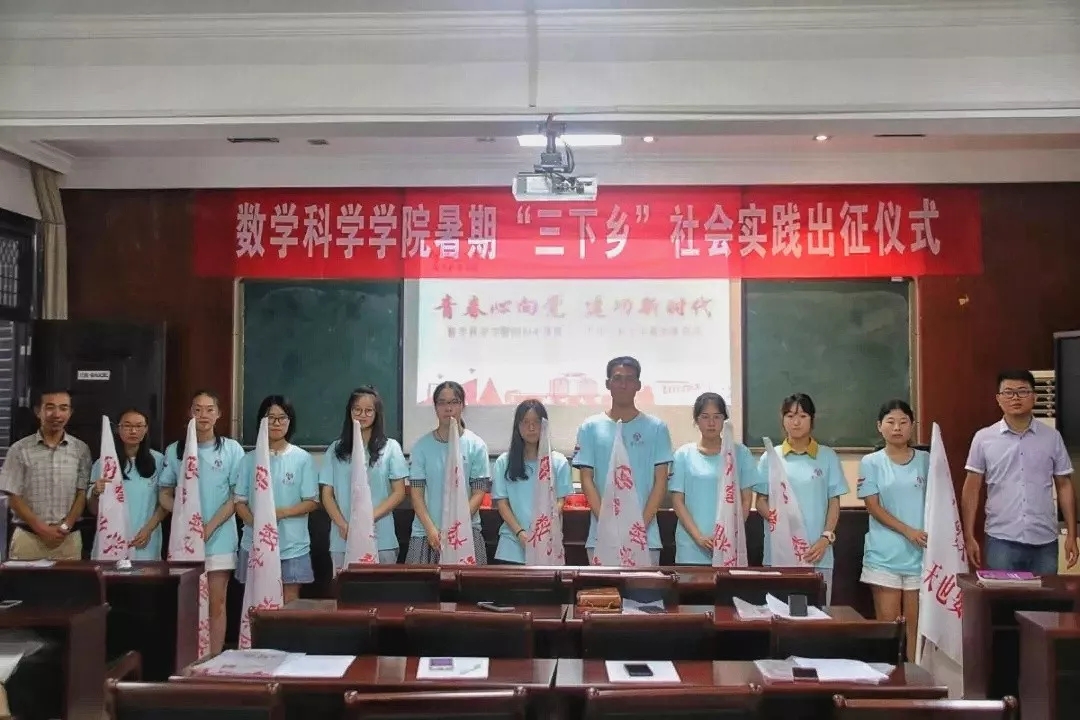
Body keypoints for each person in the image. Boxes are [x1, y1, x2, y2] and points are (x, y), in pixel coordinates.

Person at [962, 370, 1078, 574]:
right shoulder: (983, 438)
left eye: (1023, 391)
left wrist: (1071, 534)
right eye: (1008, 392)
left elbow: (1064, 485)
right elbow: (971, 488)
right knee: (1003, 595)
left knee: (1045, 595)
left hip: (1044, 540)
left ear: (1035, 397)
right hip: (1001, 539)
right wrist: (968, 535)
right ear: (998, 399)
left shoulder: (1052, 437)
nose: (1015, 398)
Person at [159, 390, 245, 655]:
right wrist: (186, 521)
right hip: (185, 541)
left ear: (219, 414)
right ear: (190, 413)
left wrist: (207, 528)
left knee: (216, 603)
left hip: (219, 539)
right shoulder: (175, 450)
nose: (203, 415)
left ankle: (214, 659)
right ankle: (190, 658)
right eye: (198, 409)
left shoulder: (231, 449)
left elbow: (236, 496)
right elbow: (164, 494)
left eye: (209, 410)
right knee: (188, 603)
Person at [573, 356, 673, 565]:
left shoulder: (657, 428)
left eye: (629, 379)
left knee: (644, 588)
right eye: (617, 378)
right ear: (608, 384)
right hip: (602, 536)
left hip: (645, 537)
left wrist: (638, 526)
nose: (623, 384)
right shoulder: (590, 427)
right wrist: (608, 524)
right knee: (602, 588)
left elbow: (660, 482)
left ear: (638, 385)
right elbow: (586, 480)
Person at [754, 393, 848, 603]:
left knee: (817, 615)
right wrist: (781, 523)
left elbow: (834, 502)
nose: (796, 422)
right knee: (778, 613)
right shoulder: (771, 456)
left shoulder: (828, 456)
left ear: (812, 419)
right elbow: (760, 501)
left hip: (817, 553)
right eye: (790, 416)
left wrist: (825, 538)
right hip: (778, 553)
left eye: (802, 416)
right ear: (782, 419)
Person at [858, 399, 928, 661]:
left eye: (903, 422)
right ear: (880, 426)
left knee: (915, 631)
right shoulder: (871, 462)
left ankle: (915, 680)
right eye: (890, 422)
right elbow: (873, 506)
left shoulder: (927, 461)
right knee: (889, 631)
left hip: (921, 557)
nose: (897, 428)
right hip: (884, 556)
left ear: (912, 425)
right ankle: (890, 680)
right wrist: (908, 531)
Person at [234, 395, 318, 603]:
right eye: (270, 418)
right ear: (262, 421)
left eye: (282, 418)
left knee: (289, 603)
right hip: (254, 544)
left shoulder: (302, 459)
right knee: (255, 603)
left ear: (290, 422)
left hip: (292, 546)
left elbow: (311, 501)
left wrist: (279, 514)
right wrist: (258, 524)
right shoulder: (248, 460)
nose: (276, 423)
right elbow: (239, 502)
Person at [319, 386, 408, 570]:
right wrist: (343, 525)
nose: (362, 415)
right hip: (343, 537)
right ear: (350, 412)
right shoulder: (335, 449)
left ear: (377, 414)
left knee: (381, 588)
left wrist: (366, 519)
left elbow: (399, 493)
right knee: (345, 588)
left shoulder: (391, 447)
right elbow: (327, 495)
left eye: (368, 410)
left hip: (381, 538)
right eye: (357, 409)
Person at [0, 388, 91, 560]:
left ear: (70, 413)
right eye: (50, 407)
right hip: (28, 538)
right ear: (38, 411)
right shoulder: (19, 449)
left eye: (63, 408)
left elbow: (82, 493)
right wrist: (41, 528)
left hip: (67, 539)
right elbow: (13, 496)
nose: (57, 414)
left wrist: (65, 526)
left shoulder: (81, 449)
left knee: (70, 579)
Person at [669, 392, 759, 565]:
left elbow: (746, 499)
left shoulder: (740, 453)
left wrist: (729, 534)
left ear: (724, 419)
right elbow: (677, 501)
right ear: (696, 420)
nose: (711, 423)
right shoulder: (683, 455)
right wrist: (699, 537)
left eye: (717, 417)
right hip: (690, 547)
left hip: (729, 545)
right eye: (705, 417)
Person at [406, 381, 490, 564]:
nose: (448, 408)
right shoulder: (421, 447)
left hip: (465, 532)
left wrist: (455, 525)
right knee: (421, 583)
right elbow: (417, 495)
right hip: (427, 533)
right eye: (442, 403)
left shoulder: (476, 445)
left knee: (467, 583)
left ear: (462, 405)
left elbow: (478, 493)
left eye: (454, 402)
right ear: (435, 407)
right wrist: (431, 529)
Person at [490, 399, 572, 564]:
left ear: (545, 424)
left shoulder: (558, 462)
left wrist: (541, 532)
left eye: (536, 422)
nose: (531, 427)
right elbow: (502, 504)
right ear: (518, 426)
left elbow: (560, 502)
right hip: (511, 545)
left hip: (547, 543)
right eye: (525, 422)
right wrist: (520, 533)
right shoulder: (504, 462)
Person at [89, 408, 167, 560]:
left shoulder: (159, 460)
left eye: (139, 426)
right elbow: (94, 510)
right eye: (127, 425)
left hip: (145, 539)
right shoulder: (104, 463)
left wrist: (148, 529)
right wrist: (95, 493)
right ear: (118, 428)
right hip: (111, 540)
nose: (133, 431)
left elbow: (165, 503)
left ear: (146, 429)